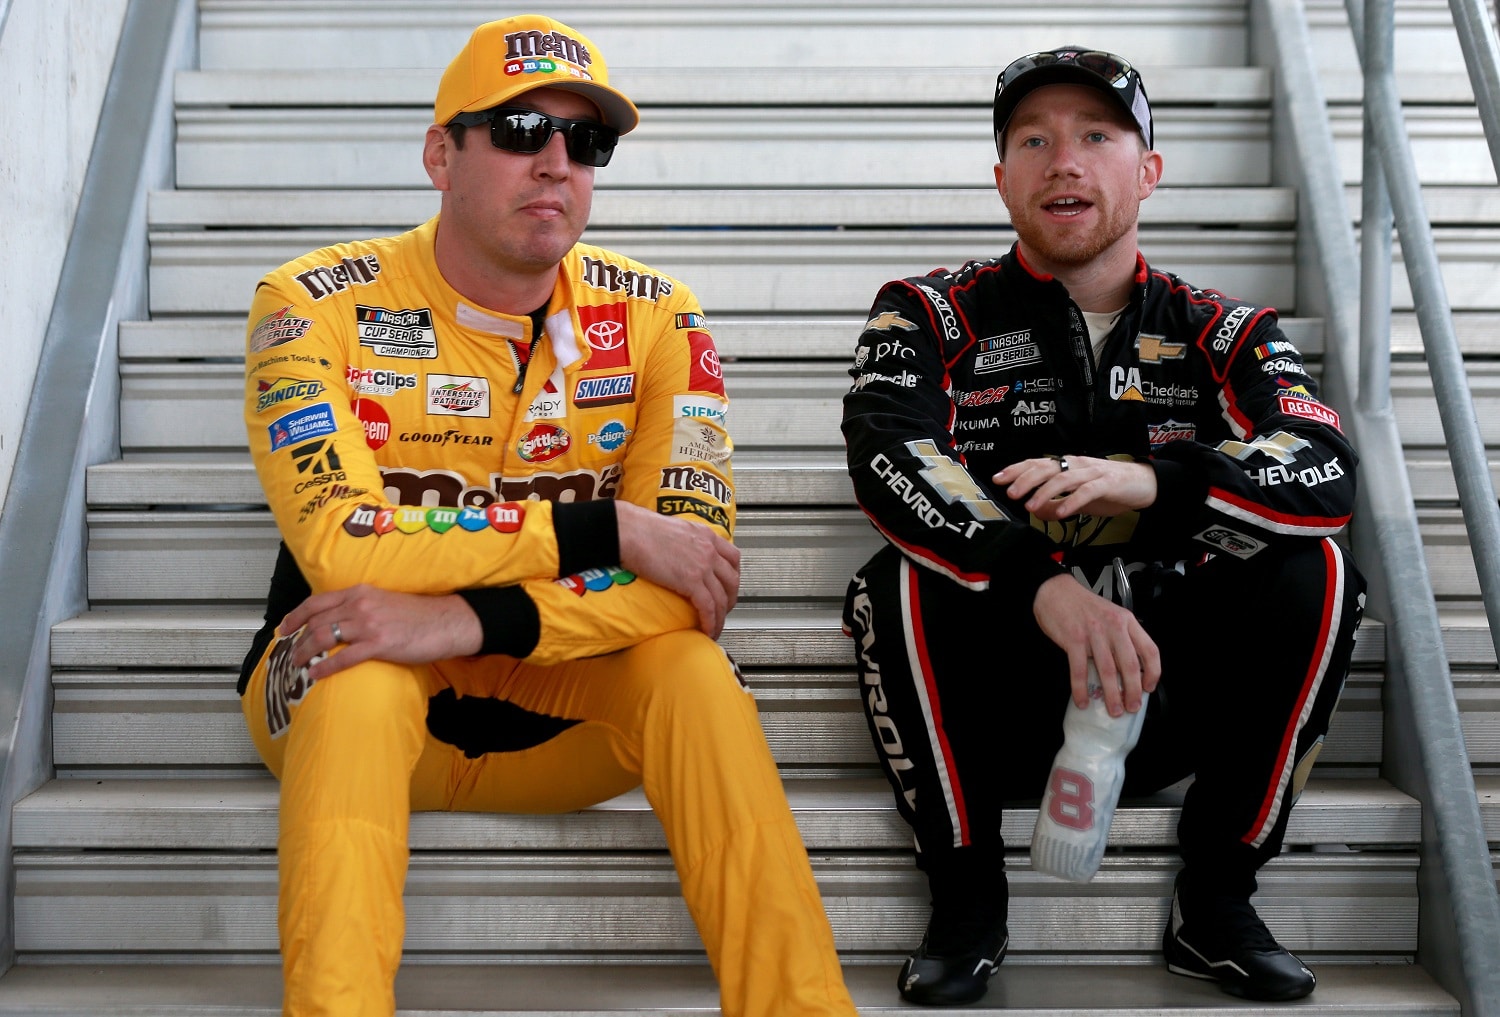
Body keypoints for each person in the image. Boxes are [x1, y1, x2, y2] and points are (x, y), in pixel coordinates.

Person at [238, 15, 859, 1017]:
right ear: (443, 153)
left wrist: (468, 619)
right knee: (355, 681)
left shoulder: (659, 316)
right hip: (343, 688)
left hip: (566, 715)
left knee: (693, 673)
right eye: (522, 129)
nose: (557, 164)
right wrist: (602, 532)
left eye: (588, 141)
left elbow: (694, 581)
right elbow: (337, 544)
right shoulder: (312, 302)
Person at [841, 46, 1366, 1006]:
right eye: (1032, 140)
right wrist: (1037, 585)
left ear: (1148, 171)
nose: (1063, 160)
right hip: (1010, 683)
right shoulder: (925, 312)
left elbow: (1326, 469)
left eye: (1096, 135)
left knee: (1321, 572)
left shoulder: (1230, 331)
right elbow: (887, 456)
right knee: (894, 580)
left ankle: (1216, 902)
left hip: (1170, 690)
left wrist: (1151, 484)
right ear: (1002, 178)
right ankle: (966, 902)